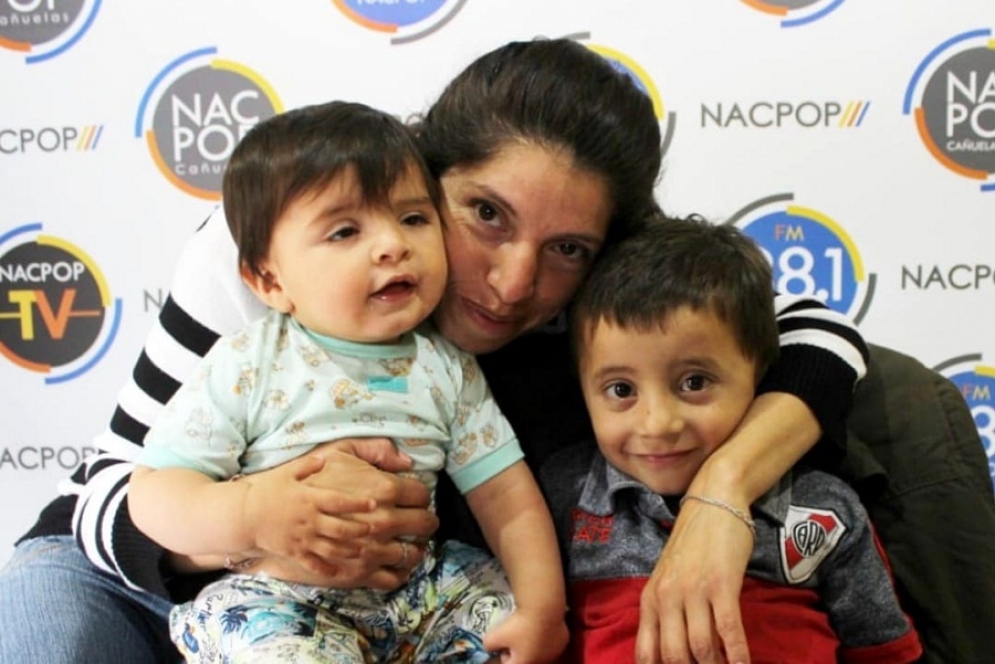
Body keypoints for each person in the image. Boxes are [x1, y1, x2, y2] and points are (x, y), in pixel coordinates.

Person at [1, 37, 989, 664]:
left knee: (895, 401)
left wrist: (723, 492)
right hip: (153, 563)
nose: (514, 282)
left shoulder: (594, 284)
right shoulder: (287, 241)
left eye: (565, 250)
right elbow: (112, 486)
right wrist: (251, 520)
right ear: (421, 177)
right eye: (481, 215)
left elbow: (817, 328)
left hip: (415, 595)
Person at [126, 100, 567, 663]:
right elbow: (154, 492)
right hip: (278, 599)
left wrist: (541, 611)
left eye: (412, 219)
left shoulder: (447, 368)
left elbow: (507, 500)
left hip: (419, 593)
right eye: (344, 231)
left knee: (499, 618)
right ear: (268, 278)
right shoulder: (247, 362)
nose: (392, 245)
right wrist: (255, 515)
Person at [542, 216, 922, 663]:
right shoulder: (563, 494)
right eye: (621, 390)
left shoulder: (824, 507)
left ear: (761, 373)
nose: (658, 423)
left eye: (695, 382)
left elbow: (884, 650)